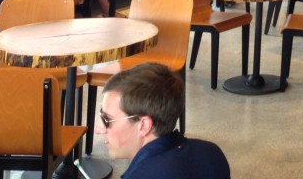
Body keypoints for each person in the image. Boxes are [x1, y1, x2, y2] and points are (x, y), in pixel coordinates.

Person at [97, 62, 230, 178]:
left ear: (143, 125)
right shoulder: (211, 153)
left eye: (107, 119)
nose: (98, 129)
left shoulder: (141, 175)